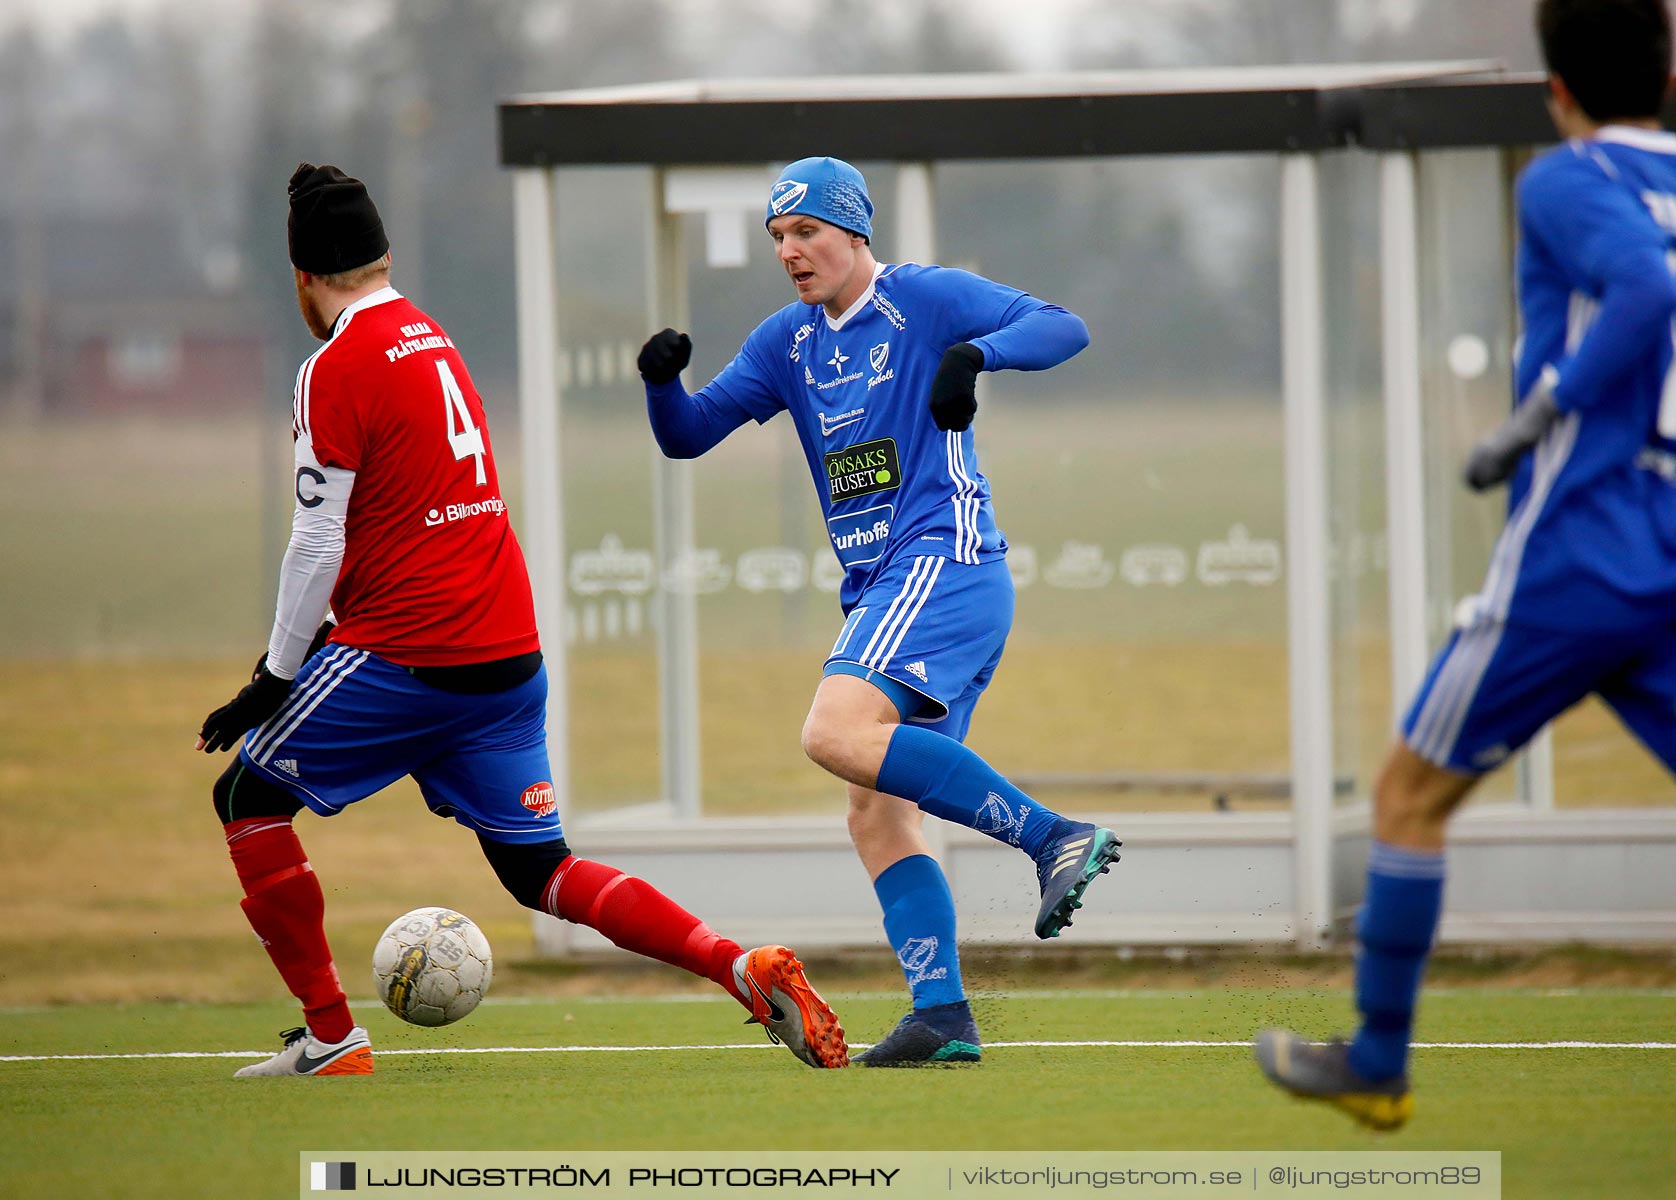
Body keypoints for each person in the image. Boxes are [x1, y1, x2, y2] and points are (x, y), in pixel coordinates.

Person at [1256, 0, 1676, 1129]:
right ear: (1674, 80)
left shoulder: (1563, 179)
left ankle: (1378, 1061)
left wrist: (1534, 415)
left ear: (1557, 93)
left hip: (1579, 550)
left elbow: (1643, 291)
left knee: (1407, 796)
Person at [198, 163, 847, 1077]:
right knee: (540, 870)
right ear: (383, 256)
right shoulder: (432, 336)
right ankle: (737, 966)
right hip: (506, 658)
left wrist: (274, 674)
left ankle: (332, 1036)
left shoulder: (333, 366)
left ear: (302, 276)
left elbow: (315, 541)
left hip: (406, 652)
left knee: (246, 798)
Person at [636, 156, 1121, 1066]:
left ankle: (1058, 838)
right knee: (876, 810)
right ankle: (942, 1016)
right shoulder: (789, 342)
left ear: (855, 231)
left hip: (944, 561)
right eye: (779, 237)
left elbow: (1064, 327)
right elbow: (689, 435)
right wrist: (662, 383)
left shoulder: (923, 300)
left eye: (808, 231)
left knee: (832, 730)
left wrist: (976, 354)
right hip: (886, 586)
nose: (792, 251)